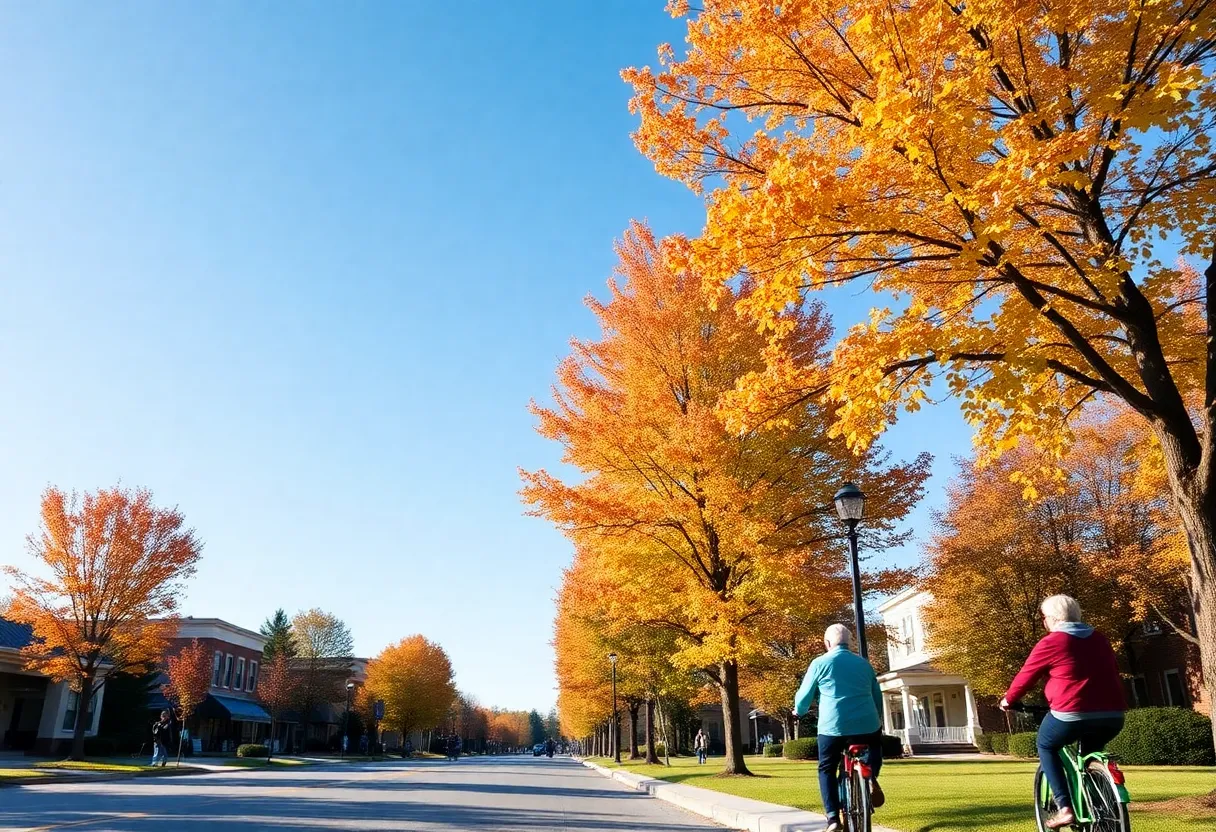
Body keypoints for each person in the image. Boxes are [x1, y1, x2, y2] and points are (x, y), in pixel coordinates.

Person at [1001, 595, 1126, 830]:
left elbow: (1026, 676)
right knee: (1089, 756)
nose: (1044, 622)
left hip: (1071, 713)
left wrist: (1008, 700)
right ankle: (1100, 805)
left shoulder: (1052, 642)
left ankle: (1065, 808)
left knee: (1046, 745)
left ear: (1053, 618)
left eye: (1044, 617)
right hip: (1113, 715)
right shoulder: (1100, 639)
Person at [793, 624, 885, 832]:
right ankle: (870, 776)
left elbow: (804, 697)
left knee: (826, 768)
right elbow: (876, 696)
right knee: (875, 746)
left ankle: (833, 818)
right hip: (866, 724)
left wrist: (798, 711)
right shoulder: (864, 664)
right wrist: (877, 717)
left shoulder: (820, 663)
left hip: (833, 727)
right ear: (850, 642)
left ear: (827, 643)